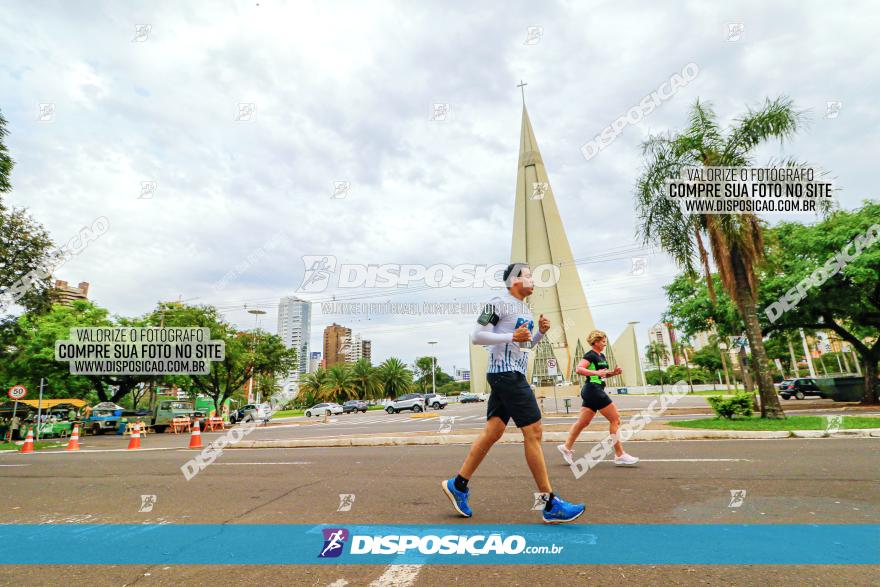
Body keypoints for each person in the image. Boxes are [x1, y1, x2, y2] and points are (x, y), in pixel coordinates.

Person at [441, 262, 586, 524]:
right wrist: (510, 336)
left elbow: (525, 344)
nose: (533, 280)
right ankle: (550, 503)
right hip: (505, 373)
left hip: (512, 373)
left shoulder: (525, 310)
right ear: (513, 281)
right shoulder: (497, 303)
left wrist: (539, 333)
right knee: (534, 432)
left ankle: (458, 485)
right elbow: (477, 336)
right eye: (529, 276)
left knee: (493, 432)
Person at [557, 330, 639, 467]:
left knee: (583, 422)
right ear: (595, 342)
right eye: (602, 341)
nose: (605, 343)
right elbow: (579, 369)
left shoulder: (602, 357)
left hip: (594, 390)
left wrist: (613, 373)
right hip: (593, 389)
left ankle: (566, 447)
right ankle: (620, 454)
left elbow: (603, 375)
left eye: (605, 340)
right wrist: (596, 372)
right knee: (615, 419)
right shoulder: (590, 355)